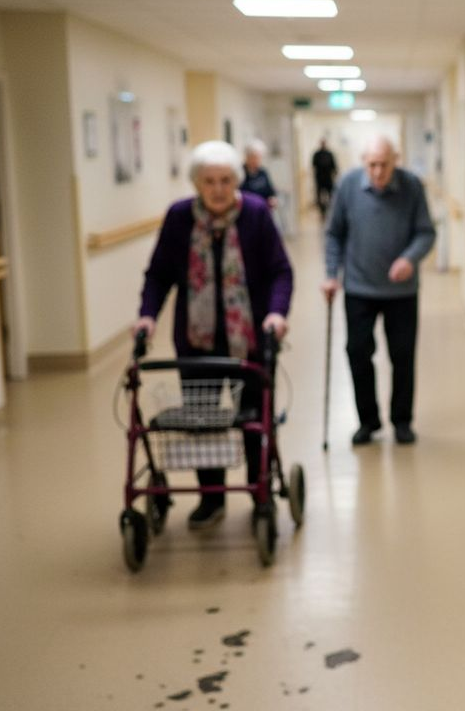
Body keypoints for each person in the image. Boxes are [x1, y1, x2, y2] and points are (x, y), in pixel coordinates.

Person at [136, 140, 293, 529]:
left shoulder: (255, 214)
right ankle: (212, 499)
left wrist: (276, 313)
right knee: (202, 420)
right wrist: (147, 317)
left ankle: (258, 492)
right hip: (196, 340)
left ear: (236, 181)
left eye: (225, 180)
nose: (218, 189)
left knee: (254, 419)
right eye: (209, 181)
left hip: (250, 340)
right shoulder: (179, 219)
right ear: (196, 183)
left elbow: (280, 271)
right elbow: (158, 274)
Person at [321, 136, 436, 446]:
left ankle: (401, 421)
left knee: (402, 356)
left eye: (384, 164)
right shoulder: (347, 186)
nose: (378, 171)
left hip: (401, 291)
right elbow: (334, 234)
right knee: (357, 352)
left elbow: (426, 232)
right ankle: (367, 421)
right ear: (363, 162)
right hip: (358, 287)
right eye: (372, 164)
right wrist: (331, 275)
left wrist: (409, 258)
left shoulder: (411, 186)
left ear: (395, 160)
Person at [239, 139, 277, 208]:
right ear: (247, 157)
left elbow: (271, 191)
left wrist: (272, 199)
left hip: (263, 209)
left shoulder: (263, 173)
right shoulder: (240, 173)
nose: (256, 160)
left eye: (259, 157)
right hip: (247, 209)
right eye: (254, 157)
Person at [311, 138, 337, 220]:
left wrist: (335, 174)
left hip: (328, 179)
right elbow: (313, 165)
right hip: (319, 179)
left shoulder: (329, 154)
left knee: (331, 196)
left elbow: (334, 165)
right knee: (319, 197)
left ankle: (331, 212)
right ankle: (322, 213)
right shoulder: (316, 154)